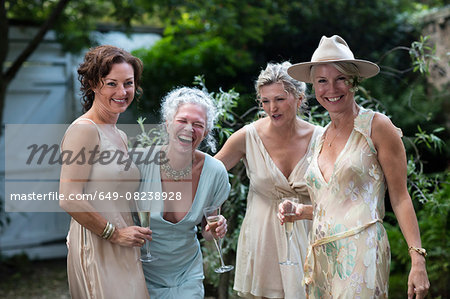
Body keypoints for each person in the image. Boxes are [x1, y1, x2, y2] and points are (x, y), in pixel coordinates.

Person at [280, 35, 430, 298]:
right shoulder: (320, 138)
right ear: (314, 86)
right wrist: (300, 211)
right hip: (320, 255)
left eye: (341, 78)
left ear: (354, 80)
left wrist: (417, 260)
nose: (332, 88)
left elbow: (400, 197)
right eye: (322, 81)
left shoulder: (377, 127)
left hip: (362, 251)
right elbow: (337, 202)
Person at [215, 62, 323, 298]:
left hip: (309, 238)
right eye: (265, 101)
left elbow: (336, 196)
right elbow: (209, 177)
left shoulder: (322, 138)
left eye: (279, 99)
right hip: (262, 241)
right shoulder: (246, 137)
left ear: (299, 97)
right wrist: (215, 213)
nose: (272, 108)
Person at [59, 45, 151, 298]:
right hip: (99, 243)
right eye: (112, 83)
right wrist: (115, 233)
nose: (122, 92)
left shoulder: (120, 135)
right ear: (93, 84)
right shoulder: (84, 130)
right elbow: (69, 197)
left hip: (125, 245)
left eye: (128, 83)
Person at [136, 87, 231, 298]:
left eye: (198, 124)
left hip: (187, 274)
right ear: (167, 125)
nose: (190, 129)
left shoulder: (215, 172)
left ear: (205, 132)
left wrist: (216, 229)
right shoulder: (138, 163)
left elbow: (207, 232)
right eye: (182, 121)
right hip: (139, 271)